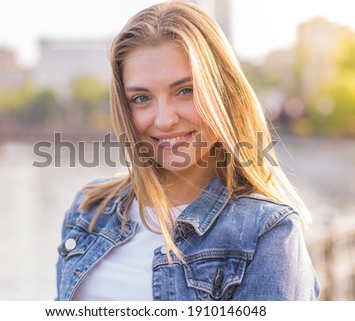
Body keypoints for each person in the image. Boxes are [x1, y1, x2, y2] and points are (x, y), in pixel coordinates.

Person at [56, 1, 320, 301]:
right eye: (141, 98)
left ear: (223, 92)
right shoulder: (89, 210)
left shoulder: (266, 233)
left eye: (185, 90)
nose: (165, 119)